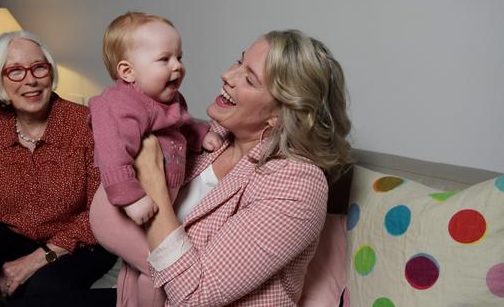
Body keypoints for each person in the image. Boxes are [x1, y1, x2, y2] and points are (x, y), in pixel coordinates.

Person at [102, 29, 353, 306]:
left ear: (280, 115)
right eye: (239, 61)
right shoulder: (212, 137)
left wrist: (153, 182)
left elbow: (195, 297)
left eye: (249, 79)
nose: (227, 75)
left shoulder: (297, 183)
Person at [0, 31, 116, 307]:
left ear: (50, 72)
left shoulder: (86, 125)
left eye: (38, 67)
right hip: (13, 234)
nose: (31, 80)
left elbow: (101, 214)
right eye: (15, 71)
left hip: (79, 244)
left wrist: (38, 259)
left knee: (42, 288)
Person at [88, 12, 222, 306]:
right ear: (128, 72)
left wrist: (200, 135)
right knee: (158, 267)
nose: (178, 66)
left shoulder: (169, 98)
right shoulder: (118, 104)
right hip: (117, 211)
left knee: (137, 270)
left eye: (179, 57)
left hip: (150, 209)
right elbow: (111, 154)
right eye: (165, 59)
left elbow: (180, 126)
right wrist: (130, 198)